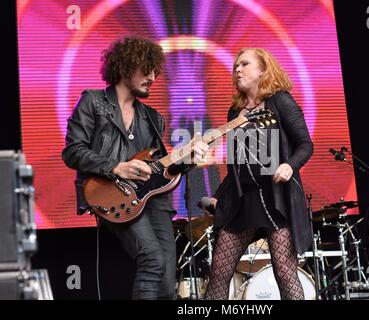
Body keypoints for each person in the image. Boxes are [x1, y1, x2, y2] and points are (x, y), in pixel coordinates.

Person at [62, 36, 208, 300]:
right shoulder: (93, 102)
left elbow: (161, 171)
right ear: (126, 65)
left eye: (156, 71)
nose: (152, 77)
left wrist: (190, 157)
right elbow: (73, 152)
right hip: (113, 194)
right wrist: (116, 167)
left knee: (166, 275)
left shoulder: (152, 118)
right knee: (152, 258)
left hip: (153, 201)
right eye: (147, 69)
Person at [204, 48, 314, 300]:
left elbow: (305, 144)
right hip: (244, 201)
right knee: (219, 272)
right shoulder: (235, 112)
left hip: (276, 199)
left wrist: (289, 165)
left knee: (284, 271)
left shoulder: (280, 100)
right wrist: (218, 196)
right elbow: (236, 166)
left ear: (263, 69)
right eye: (235, 66)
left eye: (244, 64)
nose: (237, 70)